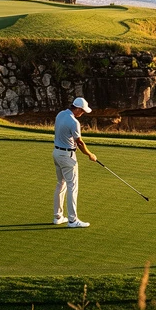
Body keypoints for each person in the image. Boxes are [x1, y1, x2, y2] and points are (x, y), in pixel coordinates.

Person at [53, 97, 96, 228]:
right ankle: (72, 220)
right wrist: (90, 154)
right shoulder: (74, 122)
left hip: (56, 153)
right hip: (67, 156)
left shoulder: (60, 114)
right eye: (82, 111)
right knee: (72, 187)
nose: (82, 114)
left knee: (61, 184)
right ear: (77, 108)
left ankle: (58, 217)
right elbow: (80, 142)